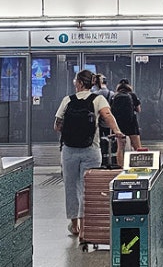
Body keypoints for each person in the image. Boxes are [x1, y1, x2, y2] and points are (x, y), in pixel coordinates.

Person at [54, 69, 124, 237]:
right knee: (88, 188)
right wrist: (117, 131)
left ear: (79, 83)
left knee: (71, 187)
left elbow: (56, 125)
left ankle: (75, 225)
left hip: (69, 151)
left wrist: (71, 131)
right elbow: (107, 115)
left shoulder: (67, 100)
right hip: (91, 150)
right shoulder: (98, 99)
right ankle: (86, 227)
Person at [111, 79, 142, 164]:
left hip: (119, 124)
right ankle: (140, 165)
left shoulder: (114, 96)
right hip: (132, 123)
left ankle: (120, 168)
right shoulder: (132, 95)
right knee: (137, 147)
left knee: (120, 147)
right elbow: (139, 109)